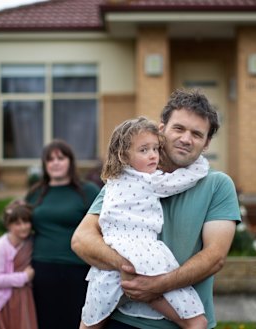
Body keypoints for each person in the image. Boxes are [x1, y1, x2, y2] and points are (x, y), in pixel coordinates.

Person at [72, 89, 241, 329]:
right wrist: (128, 268)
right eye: (179, 128)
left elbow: (215, 257)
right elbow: (81, 239)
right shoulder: (129, 178)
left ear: (206, 143)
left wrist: (157, 285)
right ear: (161, 130)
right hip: (122, 320)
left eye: (196, 134)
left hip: (181, 320)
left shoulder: (218, 185)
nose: (186, 138)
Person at [80, 117, 209, 329]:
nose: (153, 155)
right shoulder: (148, 181)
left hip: (111, 252)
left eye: (156, 149)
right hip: (142, 253)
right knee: (196, 321)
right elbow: (182, 180)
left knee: (91, 321)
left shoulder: (113, 181)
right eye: (143, 150)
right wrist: (200, 162)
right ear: (123, 155)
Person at [25, 139, 101, 329]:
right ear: (44, 165)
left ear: (70, 161)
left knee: (74, 321)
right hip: (42, 269)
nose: (55, 163)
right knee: (45, 321)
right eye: (50, 159)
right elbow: (21, 230)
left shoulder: (88, 191)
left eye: (60, 158)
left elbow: (104, 228)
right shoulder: (35, 193)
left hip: (78, 269)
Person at [0, 200, 37, 329]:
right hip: (0, 301)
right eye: (17, 223)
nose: (23, 227)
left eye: (26, 222)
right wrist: (24, 277)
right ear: (8, 225)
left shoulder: (30, 242)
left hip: (22, 298)